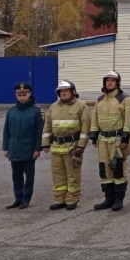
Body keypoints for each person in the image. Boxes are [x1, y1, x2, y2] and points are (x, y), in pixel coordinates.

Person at [89, 70, 130, 211]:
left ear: (118, 83)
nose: (109, 82)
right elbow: (95, 119)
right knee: (104, 170)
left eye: (112, 80)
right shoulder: (99, 100)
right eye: (107, 80)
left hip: (117, 140)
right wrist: (94, 136)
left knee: (118, 170)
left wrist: (126, 139)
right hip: (103, 139)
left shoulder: (125, 99)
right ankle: (108, 199)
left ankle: (118, 199)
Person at [42, 80, 91, 210]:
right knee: (58, 175)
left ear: (73, 92)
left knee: (73, 175)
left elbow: (86, 129)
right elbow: (47, 126)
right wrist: (45, 143)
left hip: (72, 147)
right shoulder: (54, 106)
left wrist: (80, 148)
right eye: (61, 91)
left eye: (66, 91)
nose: (63, 93)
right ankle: (59, 199)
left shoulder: (81, 106)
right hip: (56, 147)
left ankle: (72, 199)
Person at [2, 82, 44, 210]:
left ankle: (26, 199)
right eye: (19, 95)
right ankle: (18, 198)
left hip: (29, 148)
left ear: (29, 94)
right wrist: (5, 147)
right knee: (16, 176)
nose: (22, 97)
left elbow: (39, 132)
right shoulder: (11, 111)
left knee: (29, 176)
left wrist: (38, 148)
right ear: (16, 95)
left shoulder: (36, 111)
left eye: (24, 94)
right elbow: (6, 130)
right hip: (14, 147)